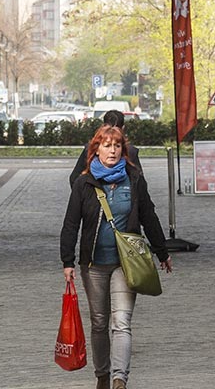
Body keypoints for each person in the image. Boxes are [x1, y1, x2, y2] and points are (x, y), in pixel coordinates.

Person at [61, 124, 172, 389]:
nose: (112, 150)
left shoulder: (134, 179)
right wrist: (67, 261)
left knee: (121, 322)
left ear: (124, 150)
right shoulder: (84, 183)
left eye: (117, 145)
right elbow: (71, 224)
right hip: (93, 264)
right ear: (96, 149)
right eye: (107, 145)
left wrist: (162, 251)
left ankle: (119, 379)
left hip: (126, 263)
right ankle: (102, 375)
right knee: (99, 322)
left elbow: (148, 216)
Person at [71, 111, 140, 181]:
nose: (113, 151)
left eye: (117, 146)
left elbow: (74, 177)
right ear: (123, 128)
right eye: (107, 146)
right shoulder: (131, 151)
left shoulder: (89, 149)